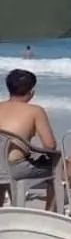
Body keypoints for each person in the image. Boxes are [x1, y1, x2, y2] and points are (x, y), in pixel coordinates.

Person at [0, 68, 59, 206]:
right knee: (58, 168)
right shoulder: (35, 111)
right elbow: (50, 145)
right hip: (15, 168)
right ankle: (50, 215)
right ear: (32, 92)